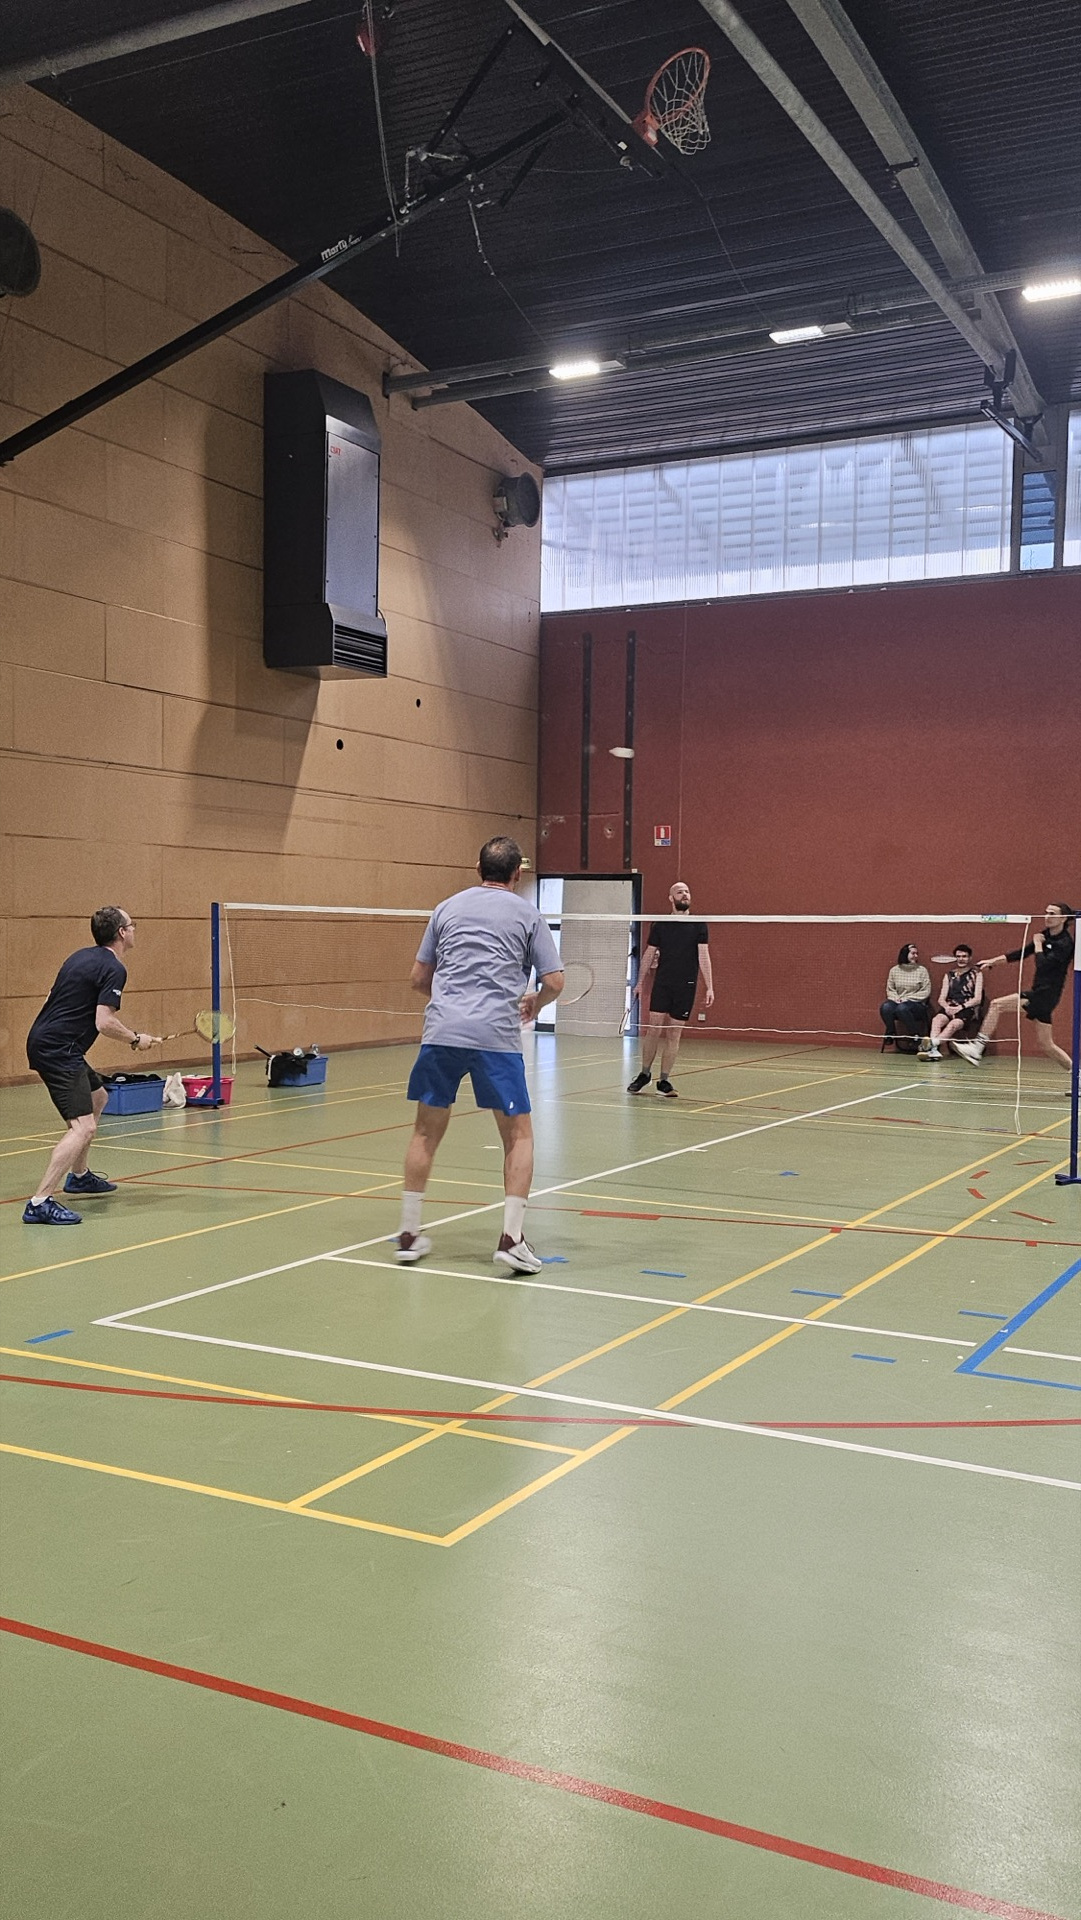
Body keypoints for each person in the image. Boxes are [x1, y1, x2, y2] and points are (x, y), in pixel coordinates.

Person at [396, 836, 564, 1272]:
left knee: (424, 1133)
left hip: (442, 1033)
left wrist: (453, 1002)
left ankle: (408, 1236)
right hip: (496, 1038)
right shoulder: (528, 915)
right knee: (519, 1136)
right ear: (517, 874)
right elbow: (555, 981)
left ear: (478, 869)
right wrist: (536, 1002)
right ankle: (511, 1240)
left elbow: (418, 979)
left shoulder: (446, 909)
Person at [23, 907, 160, 1225]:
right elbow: (104, 1021)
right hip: (59, 1050)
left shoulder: (79, 957)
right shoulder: (114, 968)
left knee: (98, 1097)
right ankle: (40, 1202)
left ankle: (80, 1176)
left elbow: (56, 998)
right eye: (132, 925)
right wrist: (135, 1038)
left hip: (51, 1041)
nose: (134, 930)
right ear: (122, 933)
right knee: (83, 1127)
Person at [953, 903, 1076, 1072]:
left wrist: (1038, 944)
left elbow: (1043, 965)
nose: (1047, 916)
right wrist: (992, 962)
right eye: (1046, 912)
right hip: (1042, 994)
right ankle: (1077, 1076)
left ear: (1063, 918)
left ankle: (976, 1048)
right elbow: (1021, 953)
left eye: (1052, 914)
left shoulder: (1065, 943)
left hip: (1045, 995)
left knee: (997, 1005)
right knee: (1047, 1045)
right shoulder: (1045, 935)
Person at [627, 881, 713, 1097]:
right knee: (654, 1028)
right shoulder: (660, 924)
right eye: (680, 892)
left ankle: (664, 1081)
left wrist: (710, 986)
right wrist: (639, 982)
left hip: (686, 985)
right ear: (671, 898)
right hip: (663, 983)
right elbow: (648, 954)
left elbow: (704, 956)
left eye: (687, 891)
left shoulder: (699, 925)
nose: (685, 895)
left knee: (674, 1033)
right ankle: (644, 1074)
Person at [918, 945, 982, 1060]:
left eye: (964, 956)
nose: (961, 959)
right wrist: (947, 1007)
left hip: (966, 1009)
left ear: (970, 958)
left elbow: (978, 998)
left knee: (953, 1025)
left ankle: (931, 1045)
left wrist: (960, 1007)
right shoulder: (949, 975)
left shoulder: (977, 974)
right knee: (936, 1020)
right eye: (958, 956)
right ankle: (934, 1051)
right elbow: (941, 998)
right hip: (949, 1007)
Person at [880, 943, 932, 1049]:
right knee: (886, 1007)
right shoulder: (894, 970)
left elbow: (926, 991)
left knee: (902, 1008)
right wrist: (896, 998)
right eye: (913, 953)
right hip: (898, 1002)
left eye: (917, 954)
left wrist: (907, 998)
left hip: (916, 1004)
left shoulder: (922, 970)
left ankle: (915, 1035)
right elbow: (890, 989)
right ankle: (891, 1033)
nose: (916, 956)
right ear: (905, 954)